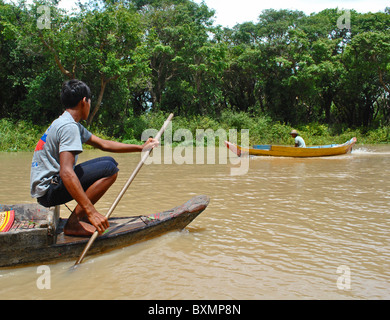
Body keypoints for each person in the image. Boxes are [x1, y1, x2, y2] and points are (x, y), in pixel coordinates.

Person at [30, 79, 159, 236]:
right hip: (49, 190)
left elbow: (104, 144)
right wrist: (91, 211)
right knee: (110, 169)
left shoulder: (69, 123)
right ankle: (74, 223)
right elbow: (66, 172)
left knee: (109, 162)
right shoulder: (68, 127)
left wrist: (140, 148)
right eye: (90, 102)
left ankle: (79, 218)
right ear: (84, 101)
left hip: (49, 186)